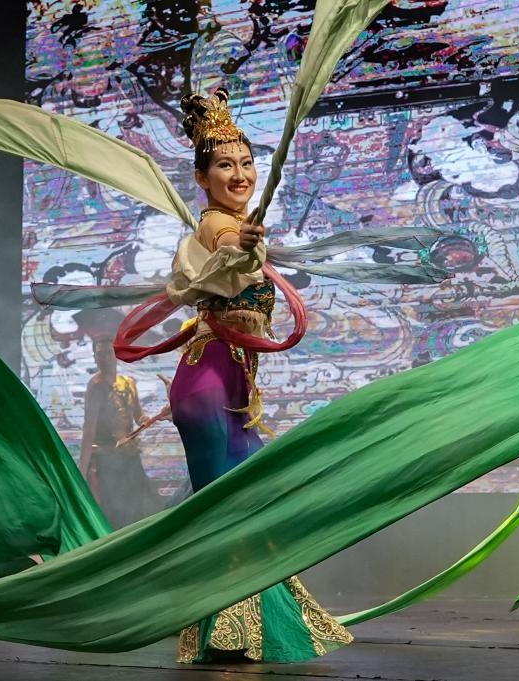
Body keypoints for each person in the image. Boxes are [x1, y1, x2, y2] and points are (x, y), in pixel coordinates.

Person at [141, 88, 353, 663]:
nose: (239, 174)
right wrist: (243, 241)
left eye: (246, 163)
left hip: (234, 389)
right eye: (224, 166)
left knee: (250, 502)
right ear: (202, 178)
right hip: (206, 384)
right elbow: (224, 248)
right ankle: (226, 633)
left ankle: (242, 632)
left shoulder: (236, 226)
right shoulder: (216, 226)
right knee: (230, 509)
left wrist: (249, 244)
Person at [80, 336, 162, 528]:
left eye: (108, 353)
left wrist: (147, 420)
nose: (105, 358)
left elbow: (138, 414)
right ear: (94, 357)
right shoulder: (96, 387)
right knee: (115, 510)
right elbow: (89, 428)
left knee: (139, 505)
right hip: (107, 459)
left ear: (115, 354)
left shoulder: (128, 383)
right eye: (100, 354)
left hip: (129, 454)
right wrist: (81, 471)